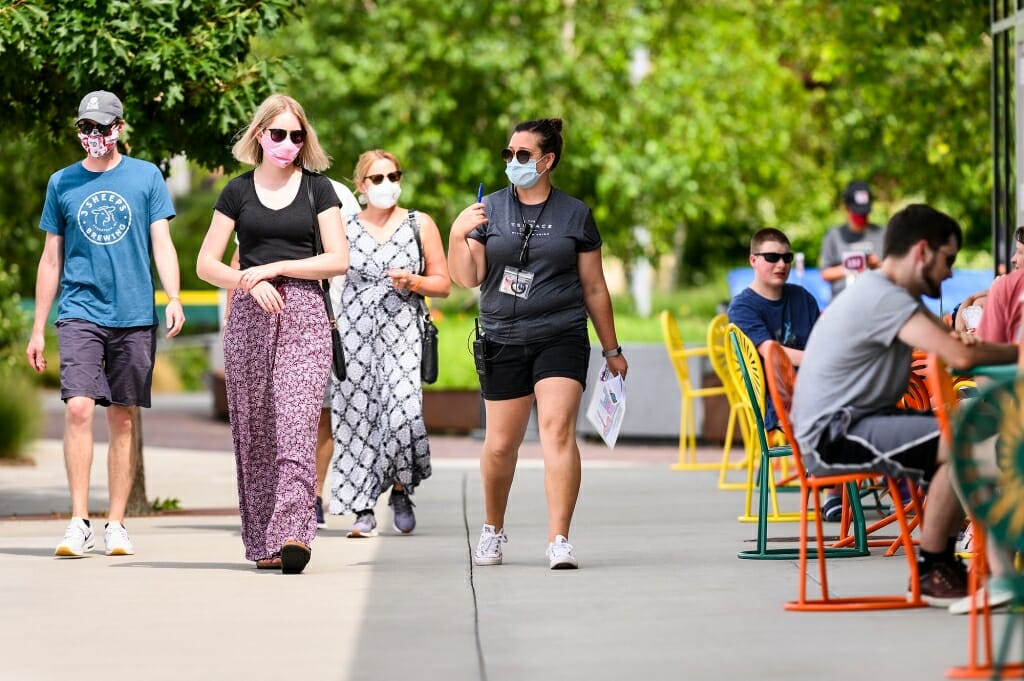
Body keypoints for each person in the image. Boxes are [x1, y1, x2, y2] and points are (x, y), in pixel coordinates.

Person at [791, 203, 1018, 606]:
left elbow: (954, 342)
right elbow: (962, 358)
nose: (950, 272)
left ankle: (946, 566)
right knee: (964, 439)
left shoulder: (888, 294)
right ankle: (957, 570)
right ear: (922, 252)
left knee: (963, 427)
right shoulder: (884, 297)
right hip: (835, 432)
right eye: (948, 259)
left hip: (854, 421)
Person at [448, 118, 627, 570]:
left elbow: (594, 287)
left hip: (561, 334)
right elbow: (468, 277)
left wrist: (611, 349)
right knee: (500, 445)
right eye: (508, 154)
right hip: (502, 336)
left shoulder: (575, 215)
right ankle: (492, 528)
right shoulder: (488, 209)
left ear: (547, 161)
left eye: (523, 155)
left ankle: (559, 539)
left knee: (557, 431)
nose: (513, 161)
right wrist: (457, 233)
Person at [25, 90, 185, 558]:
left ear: (119, 128)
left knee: (121, 415)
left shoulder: (146, 176)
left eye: (101, 127)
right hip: (79, 309)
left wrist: (173, 297)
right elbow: (50, 258)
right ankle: (79, 520)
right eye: (85, 128)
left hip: (134, 313)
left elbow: (163, 244)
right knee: (77, 408)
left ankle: (117, 522)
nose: (92, 136)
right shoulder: (62, 183)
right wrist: (38, 327)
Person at [196, 93, 348, 573]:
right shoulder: (237, 193)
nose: (287, 143)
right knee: (256, 430)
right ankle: (264, 542)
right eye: (278, 134)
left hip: (304, 311)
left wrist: (273, 268)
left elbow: (338, 258)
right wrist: (247, 280)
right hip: (248, 315)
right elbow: (206, 264)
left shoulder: (318, 190)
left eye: (296, 136)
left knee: (297, 422)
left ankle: (293, 533)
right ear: (260, 135)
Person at [328, 150, 450, 537]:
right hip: (355, 332)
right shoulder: (343, 226)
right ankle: (362, 508)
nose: (387, 185)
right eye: (377, 179)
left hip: (403, 332)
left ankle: (400, 489)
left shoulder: (419, 224)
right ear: (361, 186)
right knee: (355, 417)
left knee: (403, 413)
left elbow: (443, 284)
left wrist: (413, 282)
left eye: (393, 176)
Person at [727, 227, 820, 431]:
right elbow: (772, 352)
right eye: (772, 257)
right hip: (777, 401)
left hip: (817, 387)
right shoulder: (742, 307)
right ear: (753, 260)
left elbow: (826, 337)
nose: (781, 264)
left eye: (787, 258)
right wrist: (821, 359)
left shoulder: (802, 297)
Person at [818, 180, 885, 300]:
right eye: (857, 213)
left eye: (864, 213)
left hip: (875, 300)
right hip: (841, 300)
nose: (861, 218)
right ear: (847, 209)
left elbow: (894, 270)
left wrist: (877, 265)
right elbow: (824, 274)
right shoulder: (834, 235)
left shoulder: (881, 233)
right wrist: (855, 265)